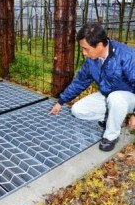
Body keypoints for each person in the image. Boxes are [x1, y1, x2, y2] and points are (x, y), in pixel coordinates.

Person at [49, 22, 135, 151]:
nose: (84, 53)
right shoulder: (92, 60)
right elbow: (80, 82)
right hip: (109, 95)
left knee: (116, 98)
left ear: (99, 45)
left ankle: (111, 136)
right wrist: (61, 101)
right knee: (77, 110)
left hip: (129, 98)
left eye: (86, 48)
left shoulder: (127, 55)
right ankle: (110, 118)